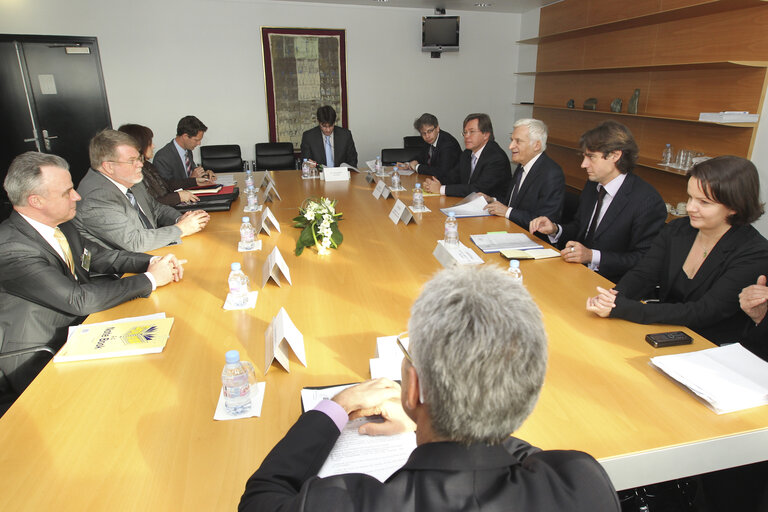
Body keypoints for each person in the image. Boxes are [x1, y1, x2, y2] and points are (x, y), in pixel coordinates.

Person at [239, 265, 620, 512]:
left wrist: (336, 405)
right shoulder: (580, 483)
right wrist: (433, 419)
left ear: (413, 387)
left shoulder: (343, 503)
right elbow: (505, 447)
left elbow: (262, 497)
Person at [0, 152, 183, 396]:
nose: (77, 196)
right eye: (67, 192)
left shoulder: (61, 224)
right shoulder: (12, 249)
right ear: (36, 201)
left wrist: (153, 261)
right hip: (42, 354)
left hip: (83, 330)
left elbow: (101, 257)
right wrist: (150, 279)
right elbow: (77, 299)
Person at [586, 156, 768, 346]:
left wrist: (623, 309)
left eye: (704, 202)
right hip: (664, 331)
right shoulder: (678, 229)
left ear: (734, 207)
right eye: (690, 197)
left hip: (710, 347)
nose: (690, 208)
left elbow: (705, 312)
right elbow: (643, 275)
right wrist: (613, 297)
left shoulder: (755, 253)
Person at [529, 121, 666, 283]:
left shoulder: (647, 200)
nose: (583, 164)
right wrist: (554, 229)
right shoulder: (593, 184)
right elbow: (580, 228)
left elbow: (643, 260)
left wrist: (592, 256)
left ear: (615, 155)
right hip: (577, 273)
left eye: (591, 157)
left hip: (612, 285)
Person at [73, 129, 210, 252]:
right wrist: (181, 229)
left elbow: (156, 208)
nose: (140, 164)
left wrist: (179, 218)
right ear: (109, 167)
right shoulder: (97, 198)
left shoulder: (128, 179)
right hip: (124, 271)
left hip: (151, 250)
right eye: (132, 160)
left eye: (139, 158)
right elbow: (135, 242)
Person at [482, 118, 565, 230]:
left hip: (534, 239)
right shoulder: (522, 165)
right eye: (512, 140)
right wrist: (493, 200)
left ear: (536, 145)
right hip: (510, 229)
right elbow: (513, 204)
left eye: (518, 141)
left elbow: (544, 221)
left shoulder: (551, 174)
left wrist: (507, 212)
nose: (510, 146)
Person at [118, 124, 212, 206]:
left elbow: (166, 184)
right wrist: (178, 197)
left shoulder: (147, 166)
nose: (153, 146)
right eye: (150, 143)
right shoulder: (134, 173)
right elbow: (150, 204)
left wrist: (195, 181)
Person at [423, 113, 511, 199]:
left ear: (486, 135)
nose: (466, 136)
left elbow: (478, 190)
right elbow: (453, 177)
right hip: (470, 203)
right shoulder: (467, 153)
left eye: (472, 132)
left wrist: (441, 189)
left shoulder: (496, 158)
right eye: (465, 132)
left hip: (491, 208)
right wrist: (433, 183)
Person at [152, 115, 216, 183]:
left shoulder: (188, 150)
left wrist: (205, 174)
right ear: (185, 136)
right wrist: (192, 180)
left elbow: (191, 172)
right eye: (196, 140)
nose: (199, 143)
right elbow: (166, 188)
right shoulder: (162, 158)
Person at [403, 113, 461, 182]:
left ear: (437, 128)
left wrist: (417, 167)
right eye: (423, 133)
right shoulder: (429, 140)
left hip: (451, 185)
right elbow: (421, 156)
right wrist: (409, 164)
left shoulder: (448, 144)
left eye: (430, 131)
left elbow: (442, 172)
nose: (427, 136)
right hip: (432, 180)